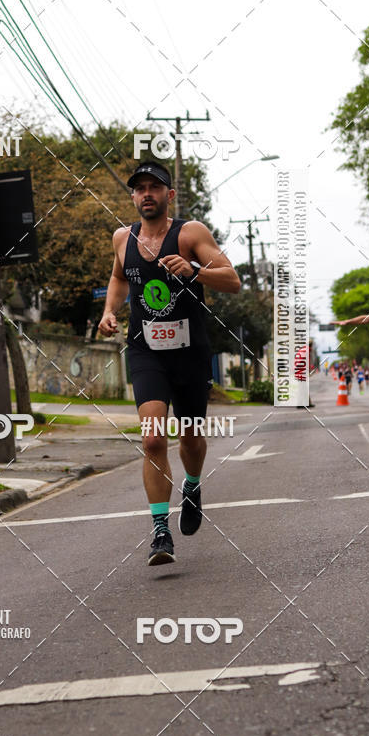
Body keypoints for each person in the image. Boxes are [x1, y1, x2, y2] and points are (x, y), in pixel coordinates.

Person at [98, 160, 241, 566]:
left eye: (154, 187)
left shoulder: (190, 233)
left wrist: (195, 270)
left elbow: (231, 279)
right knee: (153, 439)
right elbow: (119, 279)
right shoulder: (122, 238)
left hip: (190, 352)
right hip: (145, 352)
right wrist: (110, 311)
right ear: (132, 196)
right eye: (140, 188)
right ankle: (160, 531)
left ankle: (192, 486)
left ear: (169, 195)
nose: (147, 194)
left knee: (191, 439)